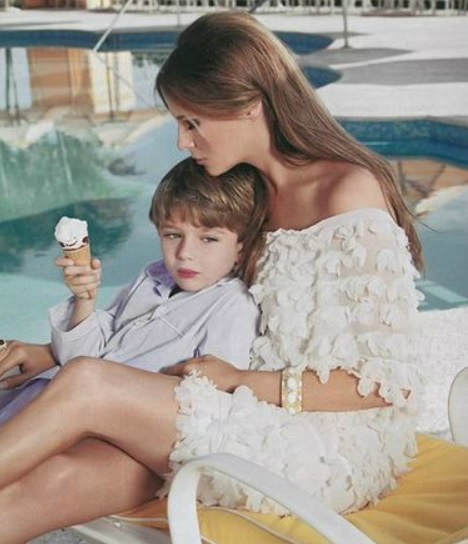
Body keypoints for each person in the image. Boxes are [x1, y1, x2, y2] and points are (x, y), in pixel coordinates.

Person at [0, 11, 424, 542]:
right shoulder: (247, 196)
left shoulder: (346, 190)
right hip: (231, 409)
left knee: (87, 383)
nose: (182, 141)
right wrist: (51, 352)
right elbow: (189, 316)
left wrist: (241, 381)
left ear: (249, 105)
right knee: (54, 479)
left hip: (322, 443)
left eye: (192, 122)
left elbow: (388, 382)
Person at [0, 157, 267, 425]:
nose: (185, 253)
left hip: (113, 425)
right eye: (173, 235)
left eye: (208, 239)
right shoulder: (152, 277)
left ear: (241, 247)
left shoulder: (233, 307)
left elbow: (214, 407)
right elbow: (83, 359)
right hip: (66, 397)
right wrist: (85, 300)